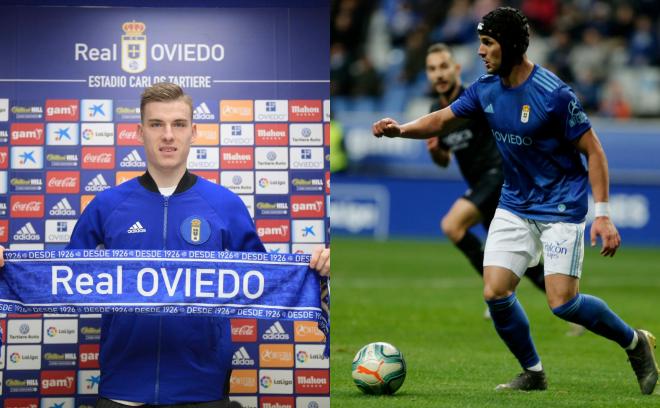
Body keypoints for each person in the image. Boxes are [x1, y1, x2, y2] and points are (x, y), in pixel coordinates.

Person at [372, 7, 658, 394]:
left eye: (487, 43)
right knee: (495, 292)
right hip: (514, 203)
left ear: (508, 46)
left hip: (560, 205)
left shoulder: (554, 95)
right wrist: (400, 129)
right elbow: (441, 119)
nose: (479, 51)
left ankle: (634, 342)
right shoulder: (485, 88)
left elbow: (595, 152)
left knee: (563, 304)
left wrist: (603, 215)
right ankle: (533, 373)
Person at [1, 82, 330, 406]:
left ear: (194, 132)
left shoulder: (225, 204)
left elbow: (266, 282)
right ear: (140, 132)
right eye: (156, 124)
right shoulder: (107, 204)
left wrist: (313, 269)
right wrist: (7, 268)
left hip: (204, 389)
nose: (168, 134)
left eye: (179, 124)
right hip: (122, 389)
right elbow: (59, 279)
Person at [423, 43, 546, 309]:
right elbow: (444, 161)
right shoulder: (437, 108)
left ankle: (496, 297)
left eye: (444, 67)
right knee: (517, 260)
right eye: (432, 69)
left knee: (452, 225)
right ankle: (568, 305)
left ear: (456, 69)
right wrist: (435, 151)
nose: (439, 74)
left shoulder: (476, 97)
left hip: (499, 176)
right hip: (480, 184)